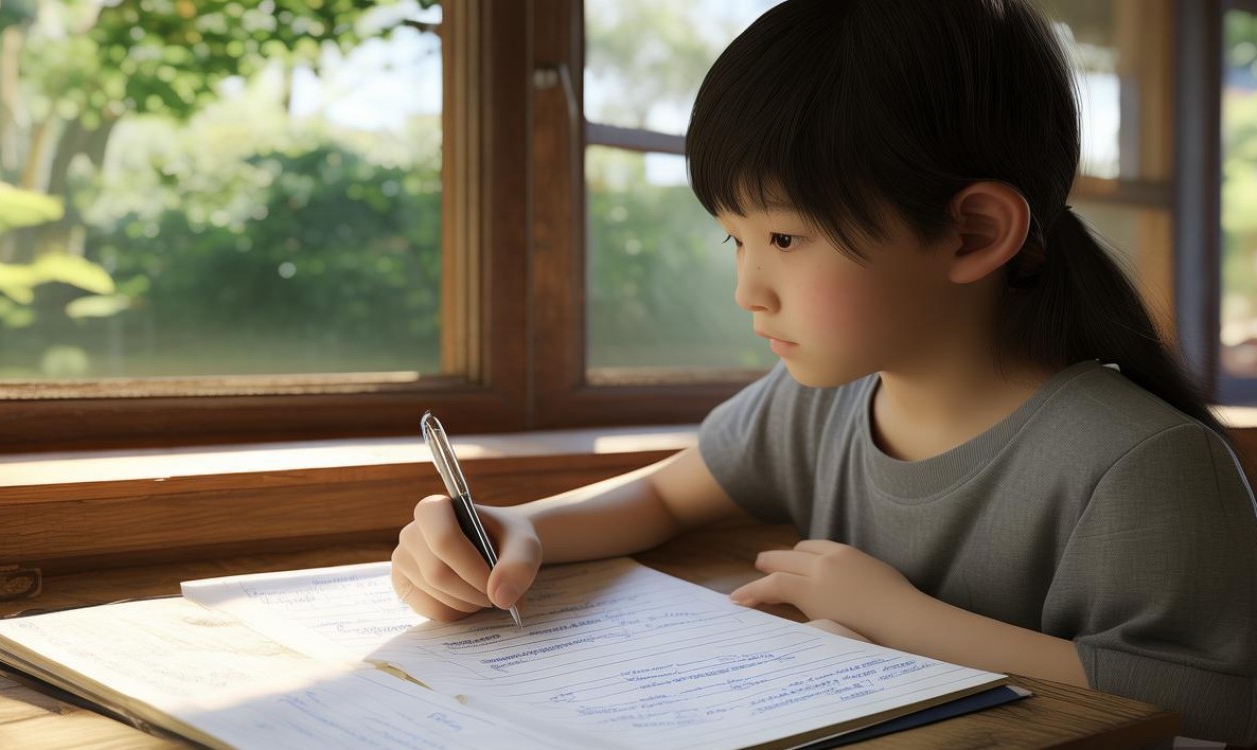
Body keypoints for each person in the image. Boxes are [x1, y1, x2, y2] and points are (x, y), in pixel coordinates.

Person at [389, 0, 1257, 744]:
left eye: (785, 240)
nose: (747, 289)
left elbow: (1221, 702)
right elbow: (662, 496)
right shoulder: (826, 401)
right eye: (737, 238)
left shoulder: (1142, 464)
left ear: (972, 233)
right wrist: (513, 526)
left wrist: (904, 621)